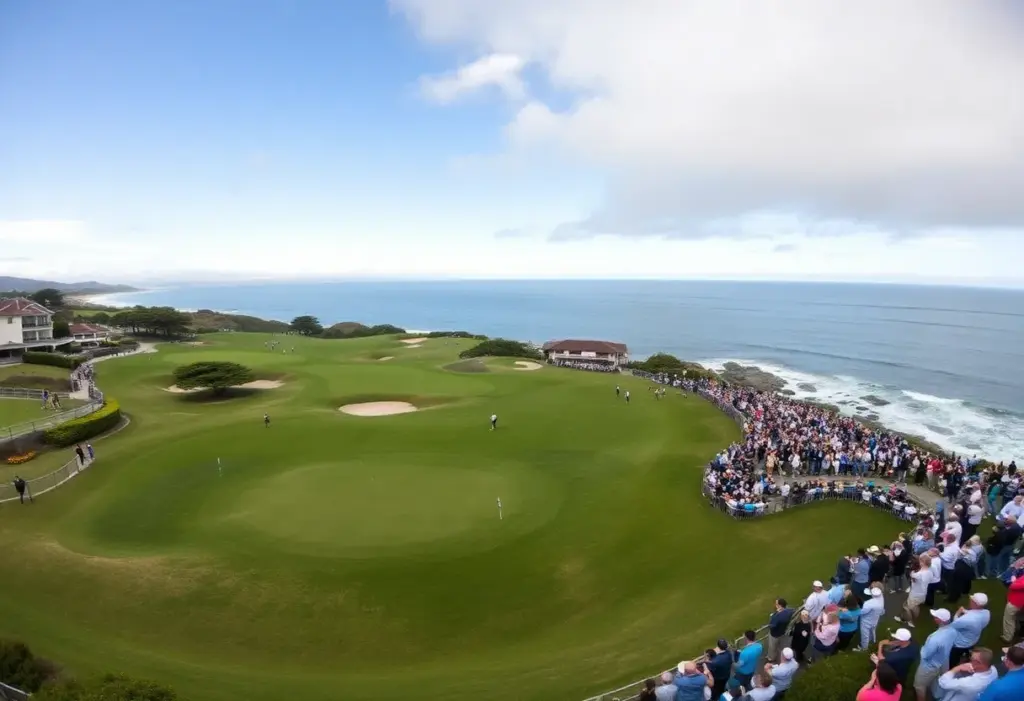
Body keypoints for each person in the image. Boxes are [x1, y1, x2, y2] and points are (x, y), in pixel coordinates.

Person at [915, 608, 958, 701]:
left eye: (936, 617)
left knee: (919, 686)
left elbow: (925, 655)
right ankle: (936, 696)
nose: (934, 618)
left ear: (940, 620)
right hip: (944, 662)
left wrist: (922, 648)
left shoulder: (935, 639)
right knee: (937, 681)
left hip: (929, 666)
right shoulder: (953, 630)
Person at [950, 593, 992, 668]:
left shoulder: (967, 619)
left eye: (971, 600)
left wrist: (958, 613)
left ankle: (952, 668)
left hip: (960, 643)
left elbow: (954, 624)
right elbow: (976, 614)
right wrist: (966, 611)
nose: (970, 601)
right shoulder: (987, 613)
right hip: (974, 639)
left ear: (974, 603)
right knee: (968, 651)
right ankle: (968, 657)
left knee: (953, 658)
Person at [857, 587, 886, 651]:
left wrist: (857, 610)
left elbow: (863, 612)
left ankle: (864, 648)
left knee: (865, 635)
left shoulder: (869, 603)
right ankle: (872, 640)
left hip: (866, 621)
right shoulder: (881, 598)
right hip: (875, 618)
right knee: (872, 630)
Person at [767, 599, 794, 663]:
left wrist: (775, 614)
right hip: (782, 632)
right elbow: (793, 610)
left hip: (775, 634)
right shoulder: (789, 611)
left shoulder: (777, 616)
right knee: (781, 645)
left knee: (772, 647)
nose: (775, 605)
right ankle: (780, 654)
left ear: (779, 606)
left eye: (776, 604)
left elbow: (771, 625)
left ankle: (771, 658)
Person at [1003, 564, 1024, 644]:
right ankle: (1018, 632)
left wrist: (1013, 580)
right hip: (1019, 602)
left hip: (1017, 602)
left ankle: (1007, 637)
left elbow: (1013, 586)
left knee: (1008, 619)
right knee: (1019, 617)